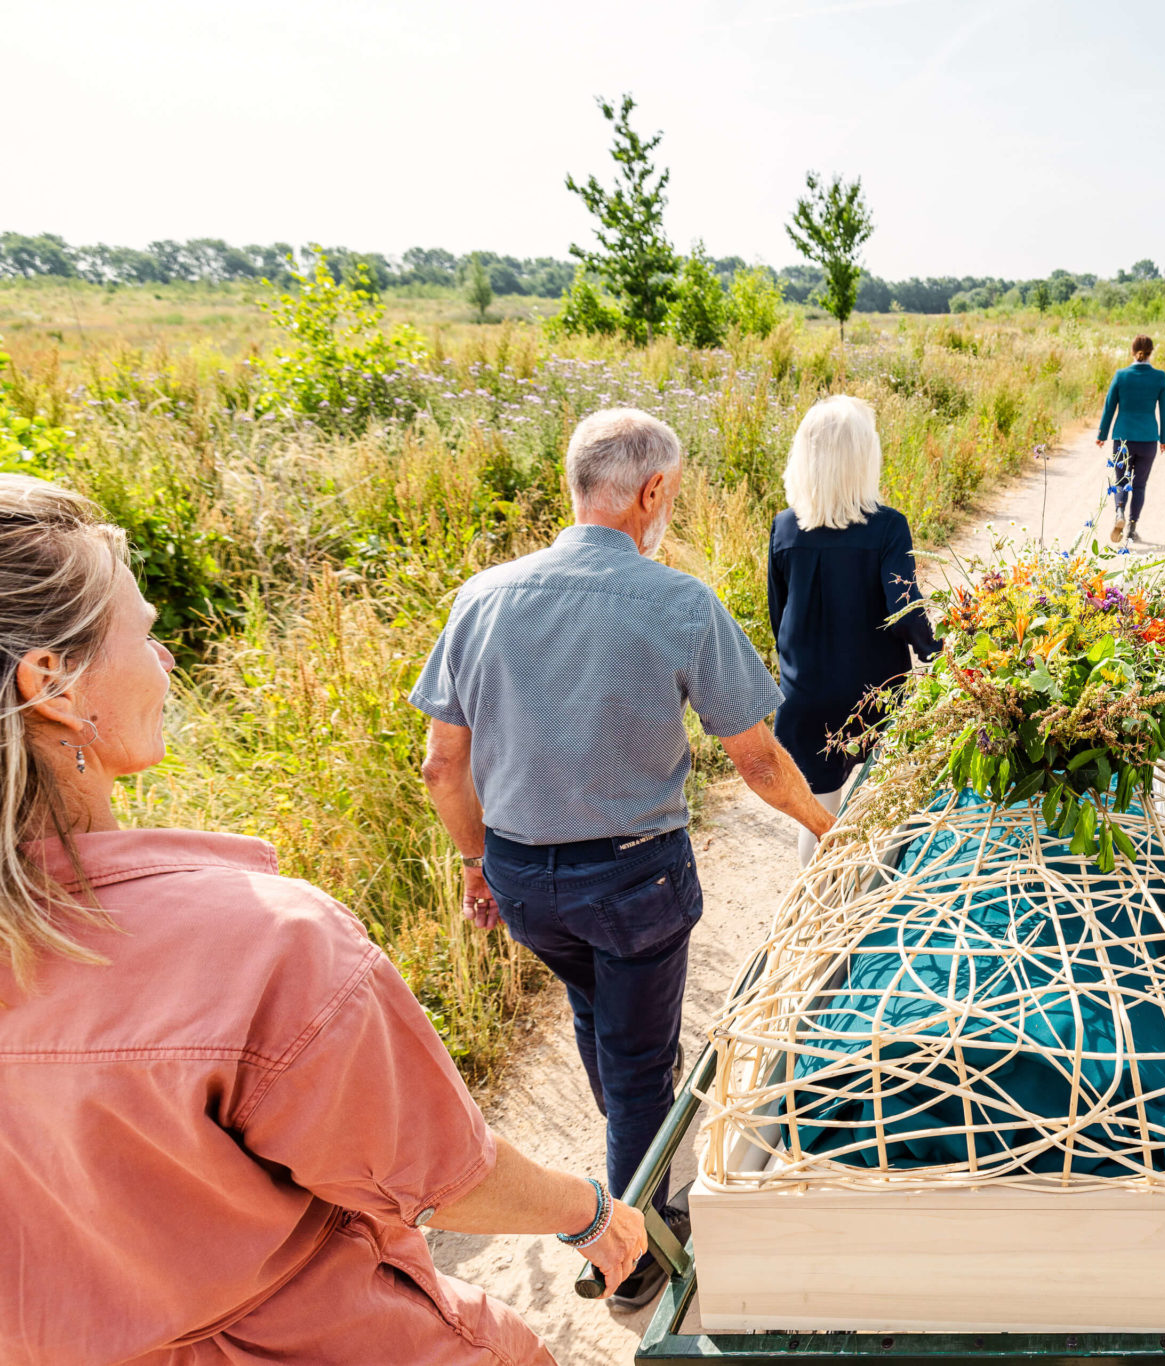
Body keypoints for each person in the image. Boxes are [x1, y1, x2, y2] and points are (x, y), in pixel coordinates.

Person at [0, 475, 646, 1366]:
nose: (167, 663)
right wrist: (595, 1214)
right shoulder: (262, 944)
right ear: (55, 684)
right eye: (147, 635)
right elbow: (443, 1176)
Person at [412, 408, 832, 1309]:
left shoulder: (481, 597)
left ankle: (626, 1161)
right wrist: (833, 833)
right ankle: (637, 1251)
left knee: (595, 1012)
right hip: (634, 879)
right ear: (653, 493)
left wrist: (479, 863)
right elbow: (756, 758)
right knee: (643, 1062)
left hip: (525, 879)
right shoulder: (677, 602)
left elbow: (443, 764)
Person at [768, 396, 938, 865]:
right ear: (865, 458)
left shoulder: (784, 529)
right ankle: (873, 913)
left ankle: (813, 915)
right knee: (887, 809)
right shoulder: (887, 528)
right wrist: (936, 651)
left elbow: (778, 616)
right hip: (876, 694)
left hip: (806, 698)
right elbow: (903, 609)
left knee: (819, 818)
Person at [1094, 334, 1165, 544]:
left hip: (1123, 438)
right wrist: (1164, 439)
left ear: (1132, 351)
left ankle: (1119, 513)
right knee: (1139, 485)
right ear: (1151, 352)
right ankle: (1132, 528)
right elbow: (1164, 411)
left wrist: (1102, 434)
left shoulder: (1121, 375)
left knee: (1121, 480)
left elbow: (1110, 406)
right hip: (1147, 439)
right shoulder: (1159, 377)